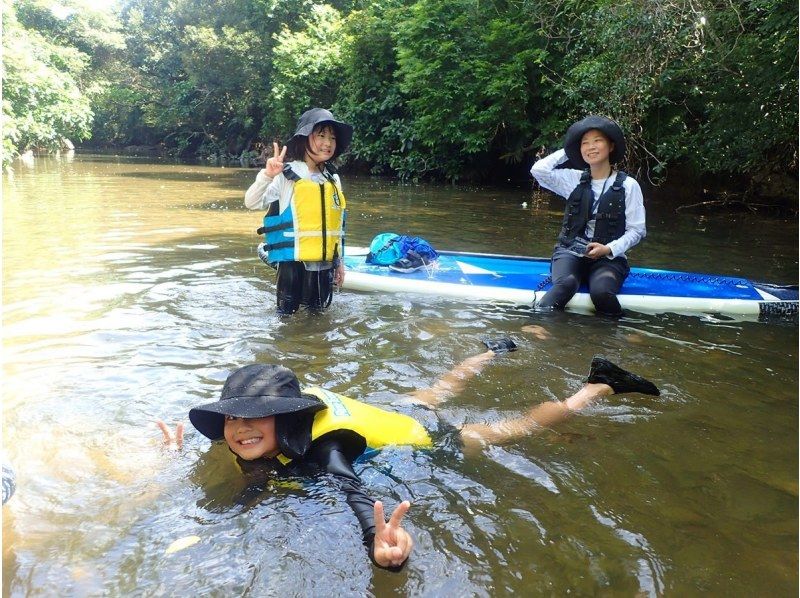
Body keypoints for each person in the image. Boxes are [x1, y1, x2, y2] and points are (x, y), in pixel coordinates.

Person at [159, 339, 660, 571]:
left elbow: (353, 491)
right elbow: (251, 477)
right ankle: (492, 349)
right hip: (383, 412)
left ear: (286, 416)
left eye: (254, 417)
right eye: (232, 419)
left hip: (424, 435)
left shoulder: (327, 445)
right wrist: (180, 461)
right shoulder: (275, 420)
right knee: (435, 388)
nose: (240, 429)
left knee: (516, 428)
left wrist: (384, 548)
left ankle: (596, 387)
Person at [530, 115, 647, 316]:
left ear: (611, 146)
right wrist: (569, 150)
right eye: (585, 143)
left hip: (608, 259)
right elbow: (538, 170)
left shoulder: (629, 186)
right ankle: (537, 327)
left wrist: (609, 248)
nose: (590, 147)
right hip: (570, 251)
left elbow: (637, 230)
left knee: (602, 293)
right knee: (565, 285)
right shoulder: (573, 179)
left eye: (597, 141)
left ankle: (614, 339)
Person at [244, 108, 353, 314]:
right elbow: (251, 202)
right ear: (305, 138)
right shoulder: (285, 175)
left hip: (324, 265)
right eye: (321, 136)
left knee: (318, 319)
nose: (328, 143)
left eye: (332, 137)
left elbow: (336, 227)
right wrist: (267, 175)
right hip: (292, 266)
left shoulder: (333, 178)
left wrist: (339, 262)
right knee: (286, 321)